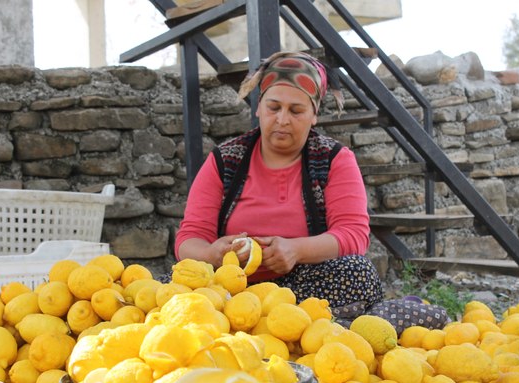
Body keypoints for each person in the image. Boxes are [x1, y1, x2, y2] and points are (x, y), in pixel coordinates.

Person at [174, 51, 449, 333]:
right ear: (258, 108)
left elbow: (353, 235)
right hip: (231, 290)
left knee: (358, 274)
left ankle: (281, 328)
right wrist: (212, 254)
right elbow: (189, 238)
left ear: (314, 115)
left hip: (305, 288)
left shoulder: (333, 160)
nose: (282, 119)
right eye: (273, 107)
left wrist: (296, 251)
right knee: (167, 287)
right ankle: (333, 328)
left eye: (296, 111)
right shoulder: (225, 160)